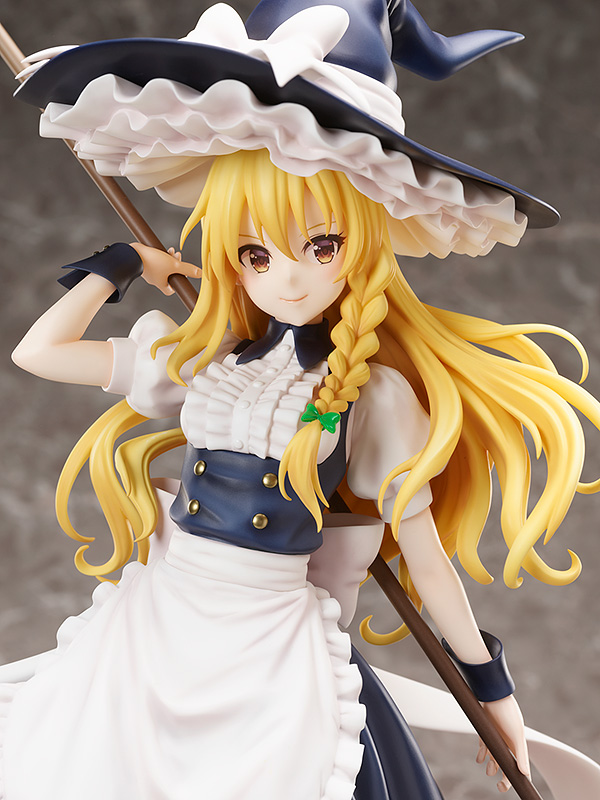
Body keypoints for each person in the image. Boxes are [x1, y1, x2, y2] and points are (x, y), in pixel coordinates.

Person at [4, 1, 600, 798]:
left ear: (363, 244)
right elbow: (38, 353)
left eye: (321, 246)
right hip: (164, 614)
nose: (286, 277)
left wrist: (491, 689)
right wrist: (117, 267)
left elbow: (424, 556)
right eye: (255, 252)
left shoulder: (373, 395)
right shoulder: (204, 361)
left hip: (270, 633)